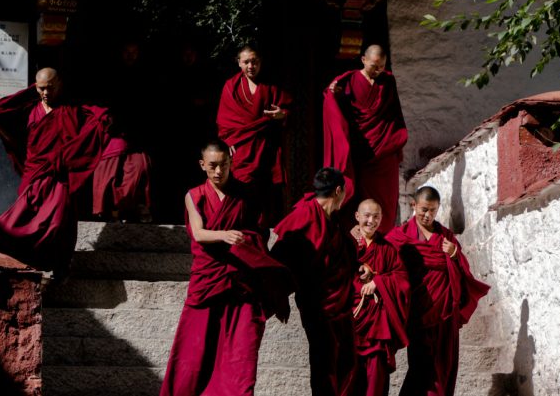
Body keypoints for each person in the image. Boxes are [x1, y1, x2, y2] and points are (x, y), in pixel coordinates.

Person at [160, 139, 292, 396]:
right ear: (202, 165)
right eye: (212, 166)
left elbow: (258, 235)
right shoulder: (193, 195)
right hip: (207, 283)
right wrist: (225, 235)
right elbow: (198, 234)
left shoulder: (244, 195)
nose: (219, 171)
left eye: (224, 165)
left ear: (231, 163)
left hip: (241, 283)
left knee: (241, 355)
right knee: (193, 357)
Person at [0, 68, 111, 278]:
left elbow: (91, 130)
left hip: (60, 175)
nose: (46, 92)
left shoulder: (72, 111)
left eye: (50, 87)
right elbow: (18, 141)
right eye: (41, 88)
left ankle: (59, 266)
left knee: (59, 221)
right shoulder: (29, 110)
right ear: (35, 87)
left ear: (60, 85)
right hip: (35, 172)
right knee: (20, 219)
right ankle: (19, 259)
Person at [385, 186, 490, 396]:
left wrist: (454, 255)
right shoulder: (401, 235)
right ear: (414, 205)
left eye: (433, 210)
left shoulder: (445, 236)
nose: (427, 215)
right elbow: (383, 257)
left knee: (443, 368)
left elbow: (463, 271)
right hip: (418, 314)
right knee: (421, 368)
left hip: (445, 315)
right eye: (424, 209)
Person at [270, 167, 358, 395]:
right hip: (316, 304)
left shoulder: (334, 218)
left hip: (341, 302)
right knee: (324, 363)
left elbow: (343, 254)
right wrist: (280, 298)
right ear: (338, 190)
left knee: (346, 362)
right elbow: (279, 259)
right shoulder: (303, 216)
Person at [323, 44, 408, 233]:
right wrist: (335, 96)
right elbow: (333, 103)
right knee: (356, 196)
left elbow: (392, 114)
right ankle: (355, 238)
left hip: (384, 148)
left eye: (382, 66)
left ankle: (382, 238)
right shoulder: (349, 80)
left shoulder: (387, 81)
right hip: (359, 151)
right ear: (363, 60)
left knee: (385, 196)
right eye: (373, 65)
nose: (378, 70)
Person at [216, 45, 291, 228]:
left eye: (255, 61)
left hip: (265, 147)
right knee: (239, 189)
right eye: (246, 62)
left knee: (264, 194)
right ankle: (235, 226)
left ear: (260, 63)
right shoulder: (230, 87)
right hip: (241, 148)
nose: (251, 65)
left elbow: (288, 110)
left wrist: (282, 114)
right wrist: (228, 142)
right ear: (239, 63)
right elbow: (224, 121)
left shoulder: (271, 86)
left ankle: (260, 231)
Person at [350, 199, 411, 396]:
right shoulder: (348, 244)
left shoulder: (387, 248)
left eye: (376, 217)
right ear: (357, 216)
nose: (371, 221)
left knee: (376, 379)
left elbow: (402, 279)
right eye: (367, 216)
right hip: (350, 321)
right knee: (348, 378)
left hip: (377, 326)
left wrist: (378, 282)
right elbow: (336, 273)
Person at [92, 41, 152, 223]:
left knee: (140, 169)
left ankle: (132, 208)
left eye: (134, 52)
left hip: (137, 135)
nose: (130, 56)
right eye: (127, 51)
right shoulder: (109, 76)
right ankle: (111, 209)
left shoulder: (145, 77)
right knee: (108, 173)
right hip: (113, 134)